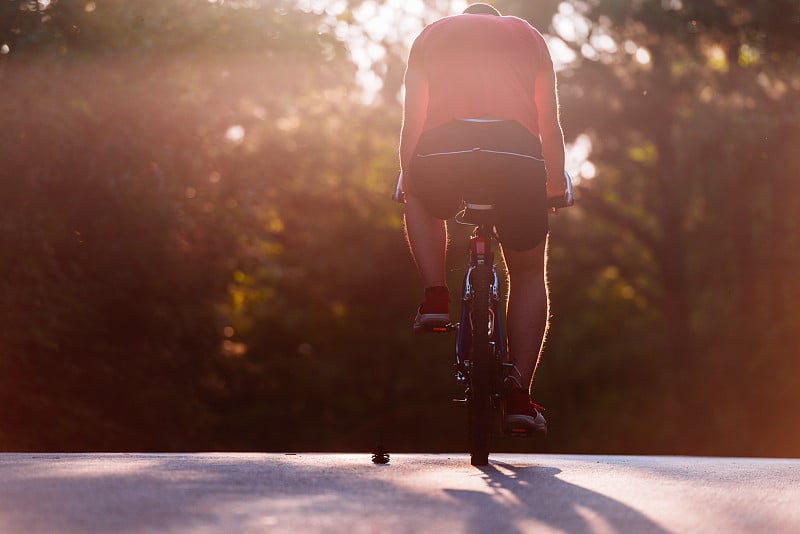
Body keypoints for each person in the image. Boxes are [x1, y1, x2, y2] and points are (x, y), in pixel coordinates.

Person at [399, 3, 567, 435]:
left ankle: (435, 296)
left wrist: (409, 173)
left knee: (414, 192)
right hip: (516, 158)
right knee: (528, 273)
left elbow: (411, 122)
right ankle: (518, 398)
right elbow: (549, 123)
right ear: (496, 20)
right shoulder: (528, 36)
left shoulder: (431, 34)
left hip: (443, 151)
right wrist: (553, 189)